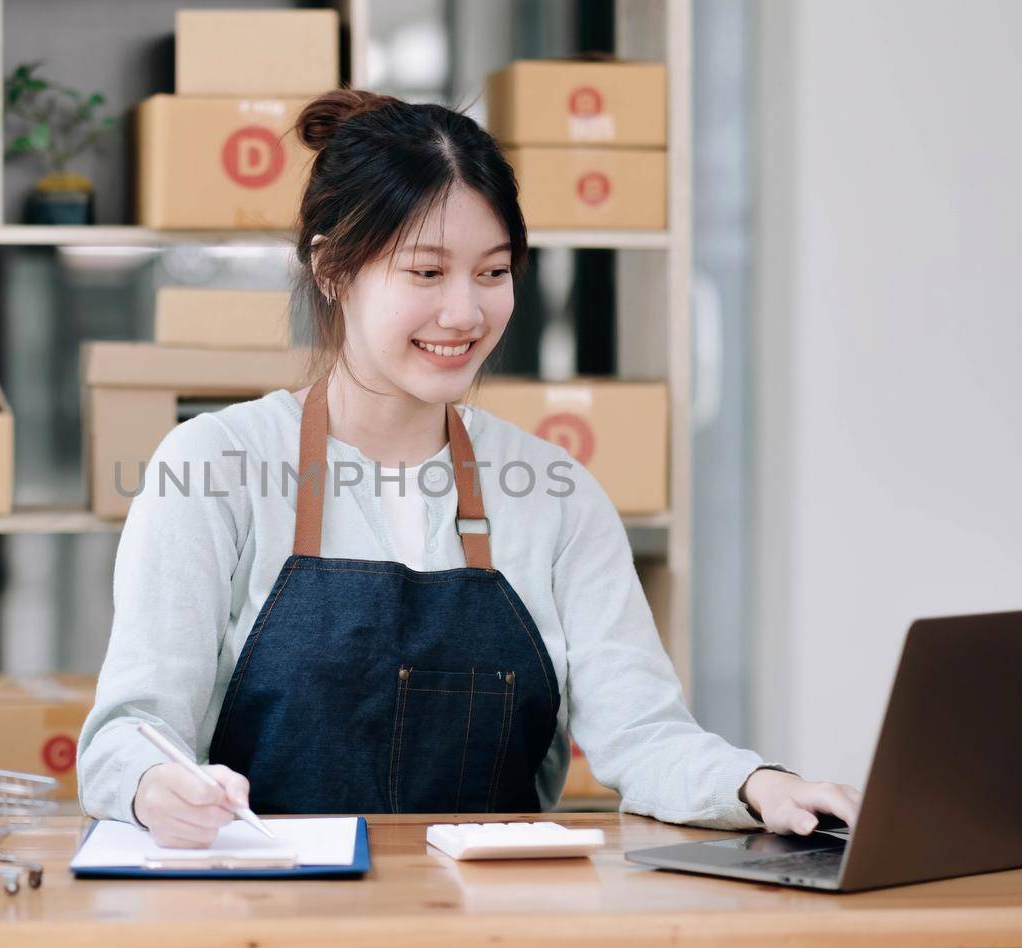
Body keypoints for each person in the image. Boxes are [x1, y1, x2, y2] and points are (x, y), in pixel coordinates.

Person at [77, 89, 861, 848]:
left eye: (492, 273)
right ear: (331, 270)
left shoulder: (556, 494)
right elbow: (128, 736)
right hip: (266, 910)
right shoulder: (214, 466)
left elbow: (643, 733)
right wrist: (158, 788)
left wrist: (757, 784)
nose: (466, 313)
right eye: (426, 273)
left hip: (492, 919)